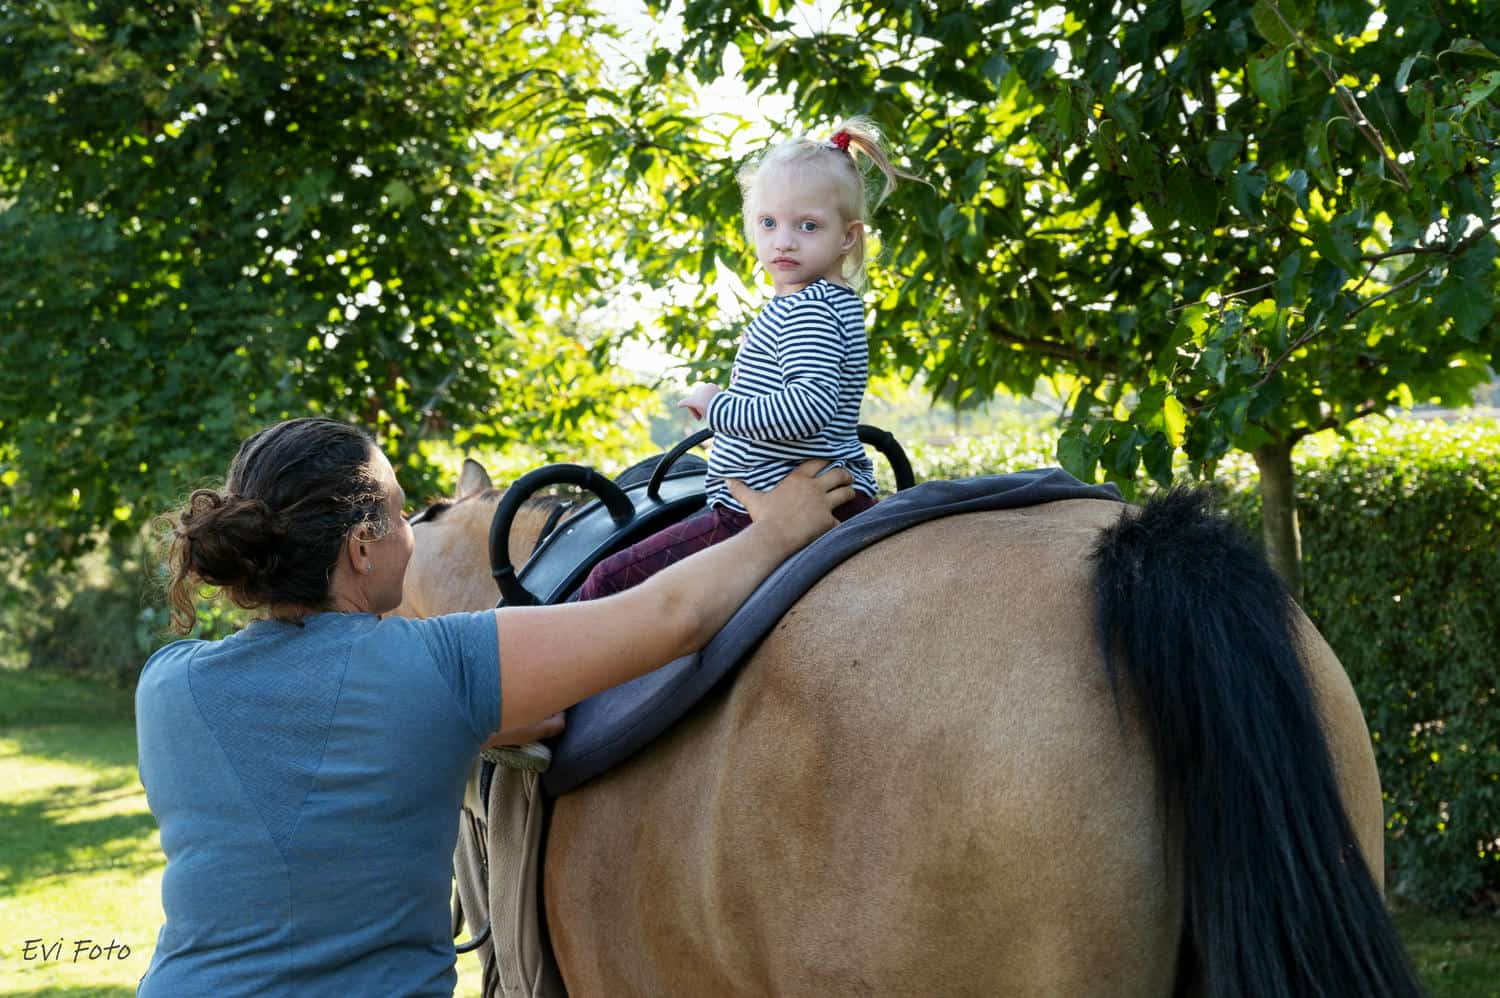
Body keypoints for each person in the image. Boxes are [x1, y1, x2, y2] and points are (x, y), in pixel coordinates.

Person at [133, 416, 853, 997]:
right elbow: (672, 616)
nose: (411, 531)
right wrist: (782, 529)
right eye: (397, 510)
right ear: (361, 547)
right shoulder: (439, 668)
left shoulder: (165, 687)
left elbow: (306, 747)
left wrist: (465, 726)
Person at [575, 116, 917, 600]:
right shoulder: (828, 302)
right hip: (801, 491)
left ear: (847, 237)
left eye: (808, 225)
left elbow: (805, 407)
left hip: (761, 508)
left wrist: (718, 407)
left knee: (608, 581)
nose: (784, 240)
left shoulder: (809, 309)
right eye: (769, 223)